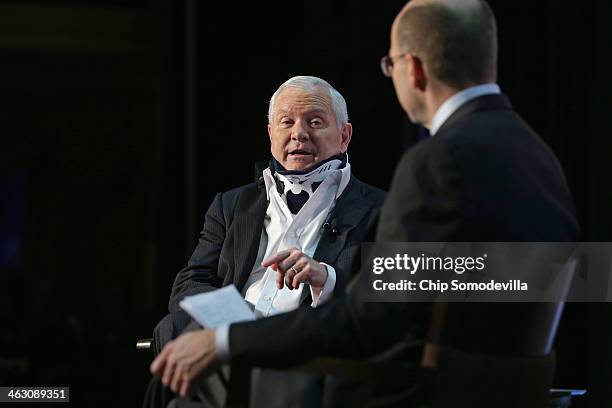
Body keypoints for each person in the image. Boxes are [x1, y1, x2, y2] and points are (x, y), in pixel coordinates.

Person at [150, 0, 580, 405]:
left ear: (411, 70)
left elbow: (372, 321)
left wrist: (226, 340)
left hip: (392, 391)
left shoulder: (438, 161)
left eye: (389, 63)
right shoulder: (539, 156)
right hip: (495, 390)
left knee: (178, 373)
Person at [147, 75, 386, 407]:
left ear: (344, 136)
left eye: (315, 122)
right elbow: (190, 281)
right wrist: (229, 316)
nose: (298, 133)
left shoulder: (381, 209)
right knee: (174, 325)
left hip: (304, 340)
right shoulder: (232, 205)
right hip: (232, 332)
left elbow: (385, 302)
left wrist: (325, 278)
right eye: (286, 122)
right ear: (271, 134)